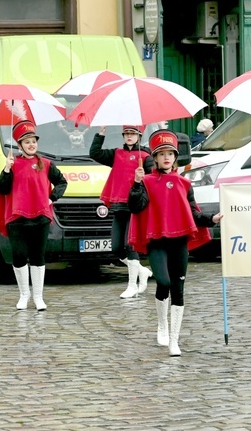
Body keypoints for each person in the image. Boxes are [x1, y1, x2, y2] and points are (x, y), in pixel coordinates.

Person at [128, 129, 222, 356]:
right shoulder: (147, 181)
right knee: (164, 281)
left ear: (175, 156)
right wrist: (136, 184)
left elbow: (193, 214)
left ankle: (174, 340)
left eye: (170, 153)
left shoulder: (184, 183)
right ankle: (162, 323)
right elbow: (135, 207)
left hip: (178, 240)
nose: (166, 157)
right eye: (161, 154)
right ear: (155, 158)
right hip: (157, 240)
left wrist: (211, 219)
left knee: (179, 289)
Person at [0, 120, 68, 311]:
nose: (31, 145)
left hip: (40, 218)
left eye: (33, 141)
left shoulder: (45, 164)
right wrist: (6, 168)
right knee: (19, 256)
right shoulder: (12, 165)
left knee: (38, 256)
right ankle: (24, 295)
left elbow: (62, 182)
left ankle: (38, 297)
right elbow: (1, 188)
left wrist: (51, 198)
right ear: (19, 145)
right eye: (27, 142)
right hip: (17, 218)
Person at [90, 125, 154, 298]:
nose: (129, 137)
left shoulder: (146, 157)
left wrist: (142, 179)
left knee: (129, 244)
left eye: (132, 134)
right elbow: (95, 154)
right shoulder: (116, 153)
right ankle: (142, 271)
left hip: (134, 207)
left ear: (139, 136)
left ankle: (132, 285)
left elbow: (154, 180)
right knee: (117, 247)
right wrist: (100, 134)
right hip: (118, 205)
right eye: (126, 134)